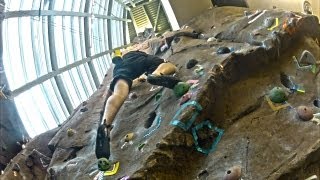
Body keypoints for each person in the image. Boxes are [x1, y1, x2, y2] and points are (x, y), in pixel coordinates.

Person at [96, 50, 181, 160]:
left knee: (119, 94)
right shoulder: (138, 52)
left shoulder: (120, 60)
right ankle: (156, 75)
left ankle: (105, 125)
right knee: (169, 65)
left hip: (121, 66)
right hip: (142, 58)